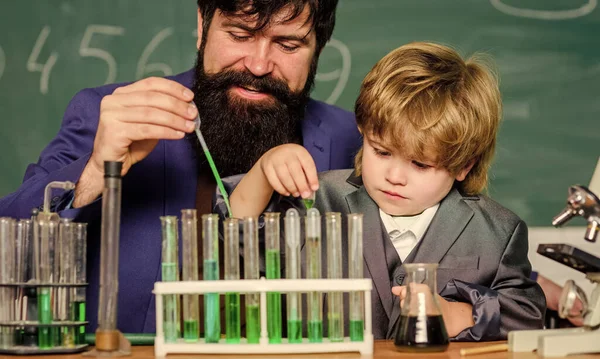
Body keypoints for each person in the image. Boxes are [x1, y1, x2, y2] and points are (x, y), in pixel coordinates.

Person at [0, 0, 362, 333]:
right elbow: (9, 251)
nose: (258, 64)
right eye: (239, 34)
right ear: (203, 25)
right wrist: (95, 172)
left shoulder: (354, 141)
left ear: (318, 47)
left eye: (288, 45)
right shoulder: (107, 114)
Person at [220, 42, 546, 340]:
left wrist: (457, 313)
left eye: (420, 164)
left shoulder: (497, 232)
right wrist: (264, 172)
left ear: (463, 166)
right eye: (382, 151)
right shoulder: (315, 201)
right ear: (363, 131)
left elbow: (526, 313)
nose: (394, 176)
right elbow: (233, 242)